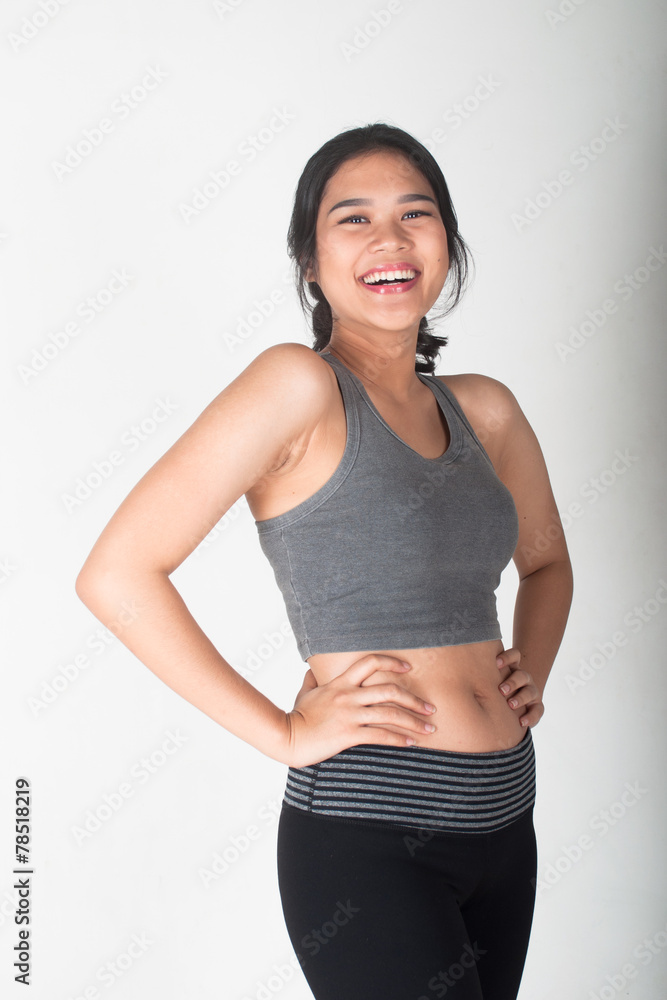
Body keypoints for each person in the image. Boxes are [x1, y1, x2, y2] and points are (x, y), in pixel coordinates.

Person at [75, 122, 573, 1000]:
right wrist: (284, 733)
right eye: (353, 219)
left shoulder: (486, 411)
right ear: (310, 261)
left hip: (506, 821)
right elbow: (116, 574)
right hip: (368, 837)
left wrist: (529, 665)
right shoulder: (297, 387)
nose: (389, 238)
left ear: (447, 244)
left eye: (414, 213)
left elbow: (547, 565)